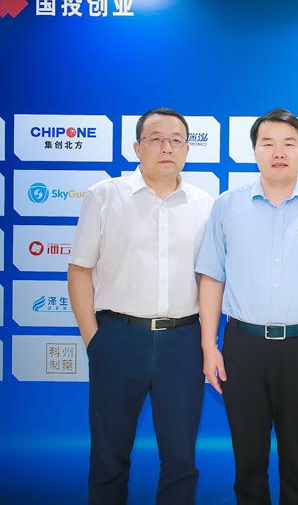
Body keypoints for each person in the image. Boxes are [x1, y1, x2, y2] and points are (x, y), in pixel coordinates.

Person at [196, 108, 298, 505]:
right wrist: (209, 346)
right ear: (254, 150)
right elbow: (212, 278)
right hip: (243, 346)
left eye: (289, 143)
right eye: (267, 143)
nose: (278, 152)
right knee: (248, 460)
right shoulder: (227, 206)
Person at [67, 107, 214, 505]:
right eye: (155, 139)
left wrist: (206, 342)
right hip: (117, 339)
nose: (167, 147)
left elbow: (211, 280)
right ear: (137, 147)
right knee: (109, 457)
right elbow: (79, 270)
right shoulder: (104, 195)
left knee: (181, 460)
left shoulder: (205, 204)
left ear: (187, 149)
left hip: (183, 342)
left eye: (176, 140)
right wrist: (95, 340)